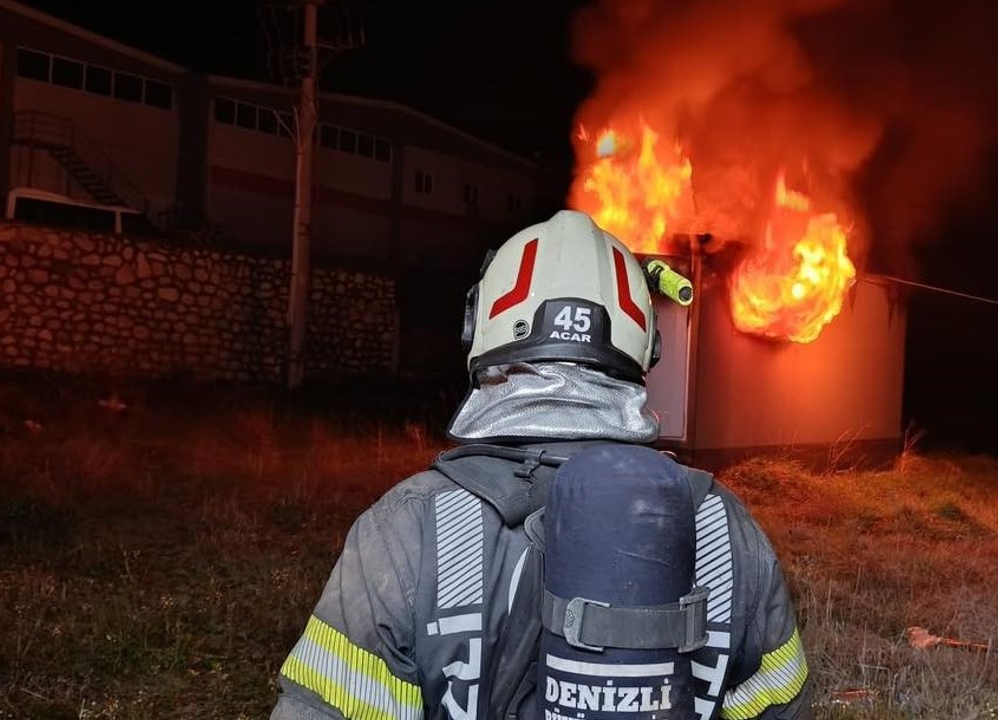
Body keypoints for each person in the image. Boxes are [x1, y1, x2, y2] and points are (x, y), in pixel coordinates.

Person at [269, 209, 813, 720]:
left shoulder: (409, 527)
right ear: (646, 348)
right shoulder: (723, 527)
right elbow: (781, 704)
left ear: (478, 329)